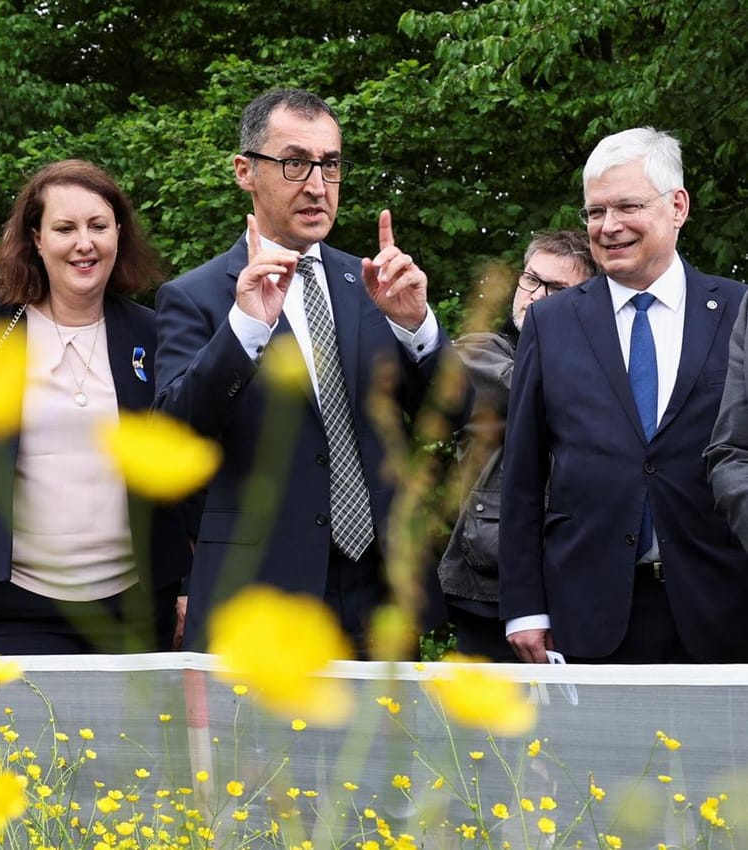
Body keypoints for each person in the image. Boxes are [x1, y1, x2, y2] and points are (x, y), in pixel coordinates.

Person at [154, 89, 454, 655]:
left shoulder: (376, 285)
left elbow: (457, 412)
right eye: (295, 163)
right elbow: (172, 430)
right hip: (259, 598)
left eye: (330, 164)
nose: (317, 185)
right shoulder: (195, 297)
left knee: (386, 748)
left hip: (380, 594)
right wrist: (244, 328)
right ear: (245, 170)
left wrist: (419, 328)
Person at [0, 159, 191, 655]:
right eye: (65, 228)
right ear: (36, 239)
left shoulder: (151, 333)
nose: (83, 243)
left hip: (133, 607)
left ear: (118, 235)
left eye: (98, 226)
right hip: (12, 605)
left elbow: (181, 463)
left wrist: (185, 582)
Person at [505, 127, 748, 664]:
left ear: (677, 206)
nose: (608, 227)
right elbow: (522, 475)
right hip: (586, 613)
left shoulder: (737, 310)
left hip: (722, 608)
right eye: (595, 212)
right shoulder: (551, 323)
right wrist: (524, 606)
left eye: (627, 206)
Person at [437, 231, 596, 660]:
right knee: (486, 726)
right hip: (487, 581)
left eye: (558, 289)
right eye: (531, 279)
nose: (535, 296)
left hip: (573, 575)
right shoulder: (480, 351)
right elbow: (524, 391)